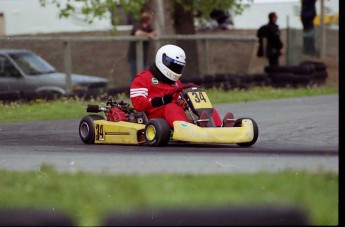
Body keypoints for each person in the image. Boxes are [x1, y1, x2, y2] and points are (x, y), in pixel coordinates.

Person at [130, 44, 234, 128]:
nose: (176, 70)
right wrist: (161, 100)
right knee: (171, 107)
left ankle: (219, 127)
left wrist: (184, 101)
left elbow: (178, 98)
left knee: (204, 107)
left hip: (175, 114)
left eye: (179, 67)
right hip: (153, 116)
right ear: (163, 62)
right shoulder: (143, 78)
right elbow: (138, 103)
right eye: (174, 66)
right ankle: (186, 129)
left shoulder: (176, 82)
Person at [127, 12, 156, 81]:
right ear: (147, 20)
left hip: (144, 58)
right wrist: (148, 35)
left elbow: (155, 32)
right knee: (135, 77)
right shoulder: (137, 25)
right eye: (150, 20)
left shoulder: (148, 28)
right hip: (134, 57)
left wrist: (150, 33)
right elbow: (138, 33)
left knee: (146, 76)